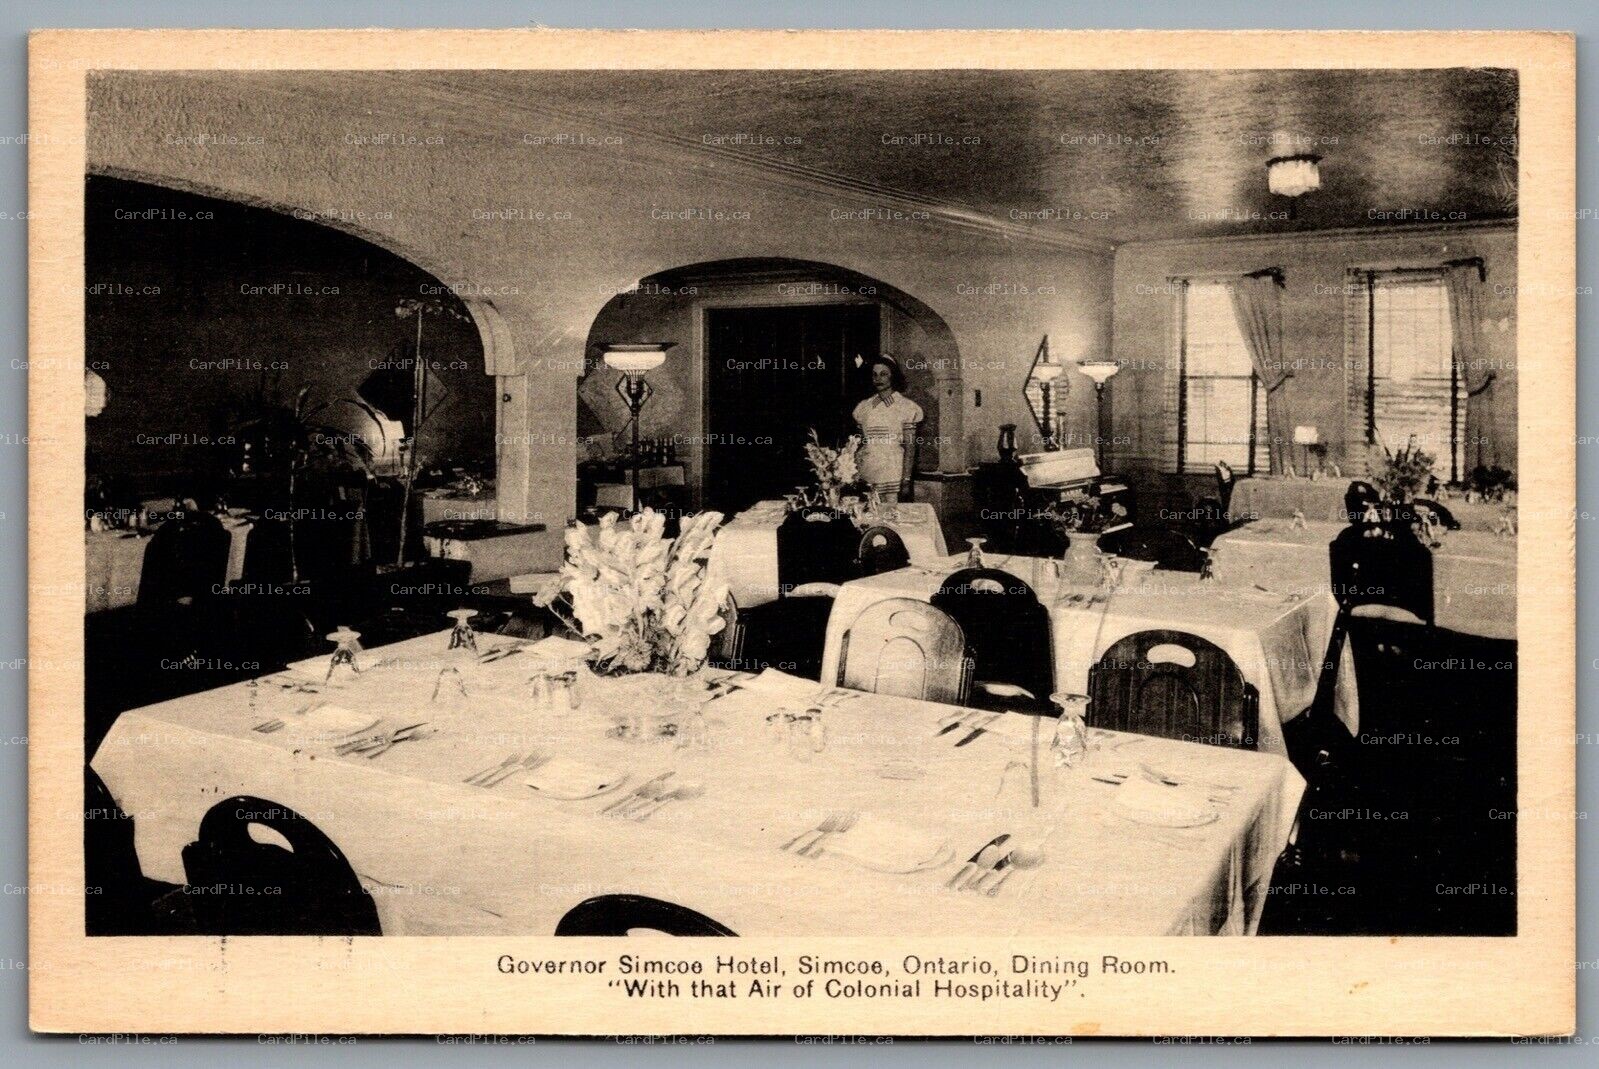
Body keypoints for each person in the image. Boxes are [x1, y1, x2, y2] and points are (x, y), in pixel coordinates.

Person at [852, 354, 923, 503]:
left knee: (890, 513)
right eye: (875, 375)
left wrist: (906, 479)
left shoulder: (906, 407)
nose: (878, 379)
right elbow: (860, 443)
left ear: (893, 376)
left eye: (883, 374)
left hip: (892, 471)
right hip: (868, 471)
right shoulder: (864, 407)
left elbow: (910, 447)